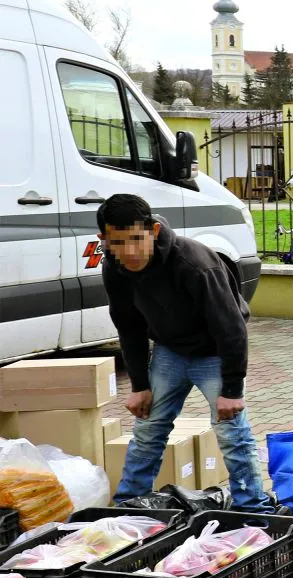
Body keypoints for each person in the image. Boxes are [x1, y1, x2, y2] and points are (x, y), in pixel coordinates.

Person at [98, 193, 274, 513]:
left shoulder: (194, 262)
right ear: (104, 240)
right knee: (148, 431)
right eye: (119, 242)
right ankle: (128, 508)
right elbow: (129, 328)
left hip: (215, 354)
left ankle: (254, 511)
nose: (131, 251)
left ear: (152, 230)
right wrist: (139, 386)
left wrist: (231, 389)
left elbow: (231, 327)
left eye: (137, 239)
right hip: (170, 352)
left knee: (233, 435)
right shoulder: (114, 269)